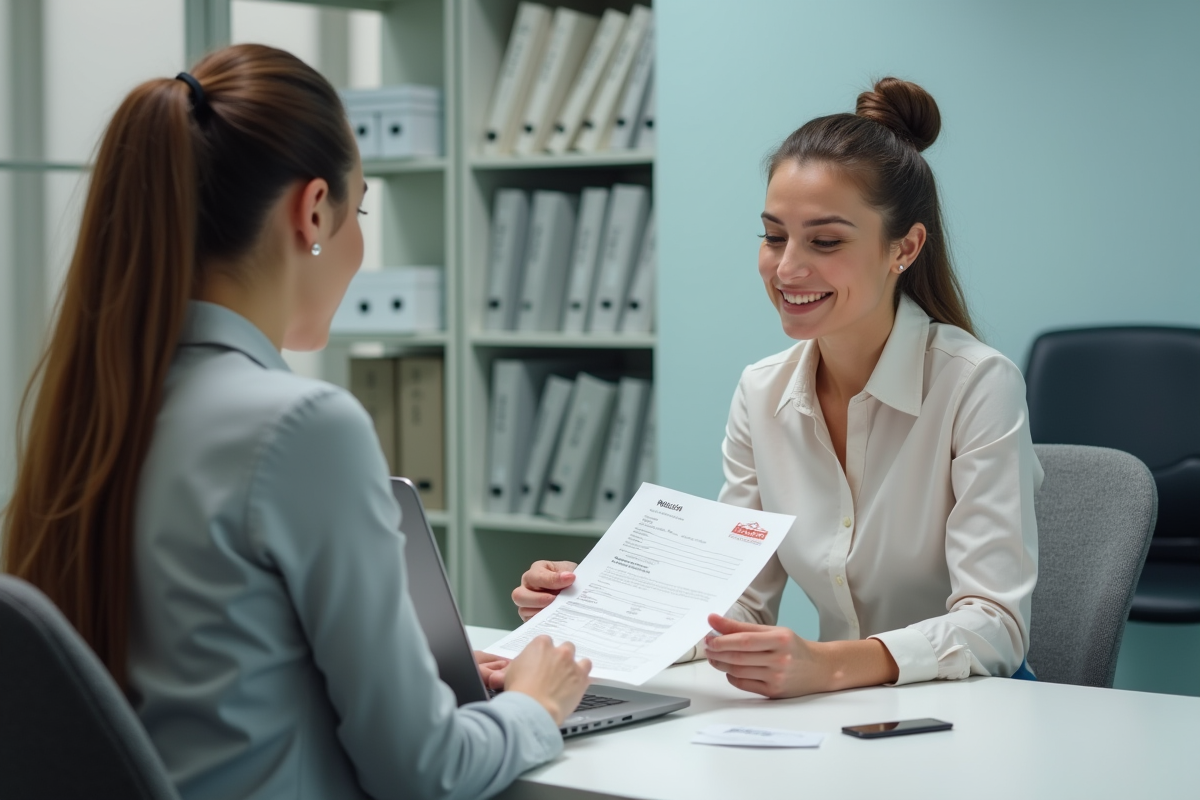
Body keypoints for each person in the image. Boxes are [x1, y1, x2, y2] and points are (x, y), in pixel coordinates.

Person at [1, 44, 590, 800]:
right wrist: (530, 708)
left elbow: (196, 690)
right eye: (361, 208)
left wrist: (407, 682)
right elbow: (424, 773)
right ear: (313, 211)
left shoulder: (94, 406)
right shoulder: (302, 426)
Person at [511, 77, 1040, 699]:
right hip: (839, 711)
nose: (787, 267)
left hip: (972, 710)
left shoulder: (978, 384)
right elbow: (736, 604)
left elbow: (995, 628)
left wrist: (830, 665)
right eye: (773, 235)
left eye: (826, 241)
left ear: (905, 247)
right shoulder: (761, 393)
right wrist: (589, 615)